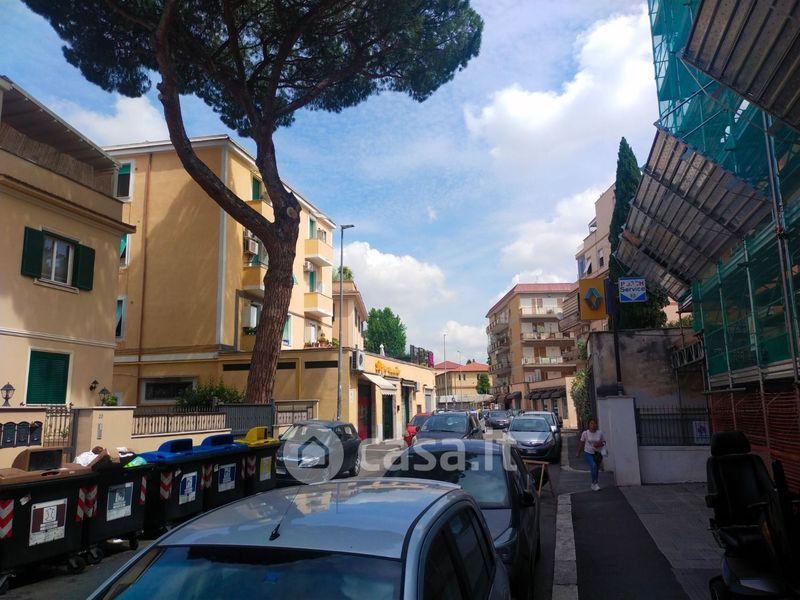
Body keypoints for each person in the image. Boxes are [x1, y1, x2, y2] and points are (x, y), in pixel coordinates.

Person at [576, 417, 605, 491]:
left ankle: (594, 483)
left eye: (594, 423)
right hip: (588, 452)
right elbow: (581, 443)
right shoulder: (585, 433)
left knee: (596, 468)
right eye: (591, 423)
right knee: (593, 465)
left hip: (597, 453)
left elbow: (604, 442)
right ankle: (595, 483)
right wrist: (578, 452)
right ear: (588, 424)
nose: (593, 425)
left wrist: (599, 445)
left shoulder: (600, 433)